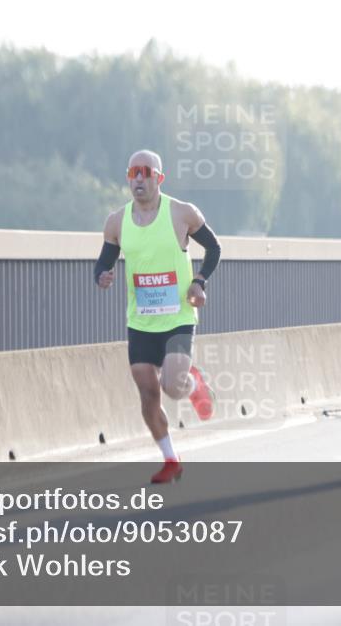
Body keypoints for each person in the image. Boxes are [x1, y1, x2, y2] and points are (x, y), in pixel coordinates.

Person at [94, 149, 221, 483]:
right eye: (133, 172)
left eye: (145, 172)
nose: (138, 178)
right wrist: (102, 276)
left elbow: (214, 248)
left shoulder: (181, 213)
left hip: (178, 316)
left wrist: (198, 281)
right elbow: (103, 262)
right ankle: (170, 459)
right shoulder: (116, 222)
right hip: (140, 321)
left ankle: (193, 384)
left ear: (158, 178)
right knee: (148, 393)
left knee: (172, 387)